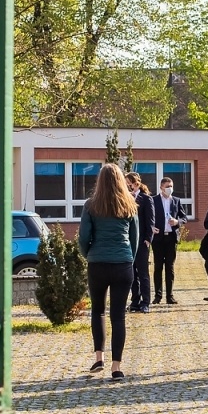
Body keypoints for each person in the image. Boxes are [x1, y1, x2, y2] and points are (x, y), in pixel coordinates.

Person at [77, 163, 141, 382]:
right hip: (122, 263)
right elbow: (135, 238)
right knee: (119, 316)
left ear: (100, 181)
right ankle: (116, 367)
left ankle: (99, 357)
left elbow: (83, 237)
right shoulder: (130, 204)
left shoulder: (91, 205)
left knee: (98, 311)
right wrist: (128, 258)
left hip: (97, 263)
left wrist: (89, 254)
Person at [151, 176, 187, 304]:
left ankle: (170, 296)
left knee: (170, 267)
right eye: (167, 186)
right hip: (158, 238)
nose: (169, 189)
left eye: (171, 186)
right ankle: (158, 295)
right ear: (161, 187)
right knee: (158, 267)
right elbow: (149, 217)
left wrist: (177, 222)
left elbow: (184, 218)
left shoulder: (176, 201)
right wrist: (151, 227)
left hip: (171, 238)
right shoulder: (154, 200)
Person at [126, 172, 155, 313]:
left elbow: (150, 220)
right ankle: (135, 301)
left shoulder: (146, 198)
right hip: (129, 241)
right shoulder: (126, 198)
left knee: (143, 273)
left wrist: (148, 238)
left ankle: (145, 302)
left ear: (135, 183)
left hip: (142, 240)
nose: (127, 186)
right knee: (131, 273)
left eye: (129, 183)